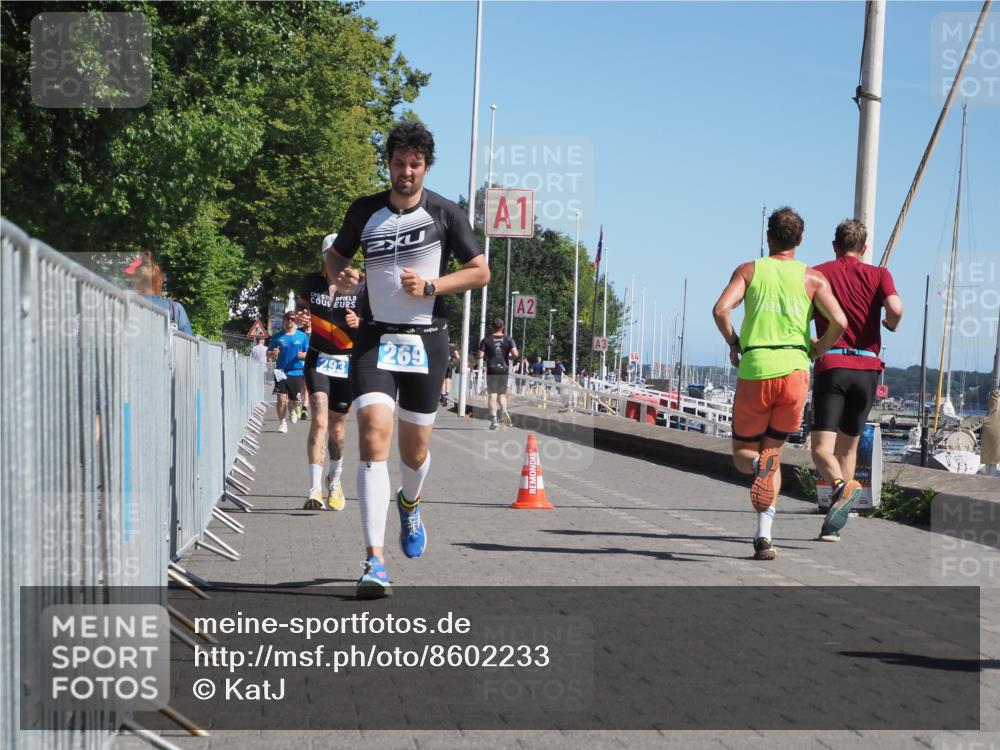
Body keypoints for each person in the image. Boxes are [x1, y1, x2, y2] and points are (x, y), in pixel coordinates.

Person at [326, 120, 490, 598]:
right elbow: (333, 259)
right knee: (374, 436)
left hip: (427, 341)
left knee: (413, 454)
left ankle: (411, 503)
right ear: (390, 163)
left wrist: (434, 286)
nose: (406, 172)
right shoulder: (364, 210)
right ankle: (374, 561)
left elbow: (480, 271)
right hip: (375, 339)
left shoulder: (445, 213)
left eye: (415, 165)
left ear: (426, 166)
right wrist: (342, 276)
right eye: (399, 163)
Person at [712, 207, 846, 561]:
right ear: (800, 241)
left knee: (745, 456)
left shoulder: (750, 271)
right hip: (795, 372)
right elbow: (840, 321)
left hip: (756, 368)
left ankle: (760, 482)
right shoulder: (813, 279)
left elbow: (720, 310)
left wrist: (734, 343)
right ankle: (764, 536)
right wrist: (818, 348)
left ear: (767, 236)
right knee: (774, 452)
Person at [810, 219, 904, 542]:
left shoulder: (818, 273)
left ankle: (840, 488)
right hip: (867, 370)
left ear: (834, 246)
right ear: (865, 249)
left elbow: (802, 316)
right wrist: (890, 324)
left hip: (833, 364)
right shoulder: (879, 275)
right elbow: (896, 308)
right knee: (847, 451)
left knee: (820, 449)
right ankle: (835, 526)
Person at [298, 233, 364, 511]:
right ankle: (313, 490)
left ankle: (334, 481)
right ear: (324, 258)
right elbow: (301, 309)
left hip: (347, 361)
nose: (337, 263)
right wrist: (302, 317)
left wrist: (359, 321)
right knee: (320, 421)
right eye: (331, 257)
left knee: (337, 429)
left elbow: (374, 322)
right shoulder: (311, 282)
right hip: (318, 358)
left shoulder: (361, 286)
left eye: (341, 259)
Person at [126, 254, 194, 335]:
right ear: (159, 282)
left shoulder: (125, 304)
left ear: (134, 283)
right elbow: (188, 340)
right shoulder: (175, 310)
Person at [268, 312, 308, 434]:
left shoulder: (302, 336)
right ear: (284, 320)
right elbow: (268, 353)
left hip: (296, 371)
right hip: (280, 370)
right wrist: (272, 353)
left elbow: (309, 353)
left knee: (295, 400)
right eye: (287, 319)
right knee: (280, 399)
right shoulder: (278, 337)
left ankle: (292, 408)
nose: (290, 321)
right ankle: (282, 423)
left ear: (295, 320)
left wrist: (303, 355)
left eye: (292, 319)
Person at [477, 317, 519, 430]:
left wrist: (486, 355)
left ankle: (494, 419)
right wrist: (509, 355)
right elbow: (515, 354)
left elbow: (480, 355)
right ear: (503, 327)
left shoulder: (486, 340)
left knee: (492, 395)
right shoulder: (509, 339)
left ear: (492, 327)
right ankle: (504, 410)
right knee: (502, 394)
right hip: (504, 368)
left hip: (492, 368)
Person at [440, 342, 459, 406]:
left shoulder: (440, 345)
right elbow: (457, 356)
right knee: (448, 381)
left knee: (442, 382)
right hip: (450, 365)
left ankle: (442, 396)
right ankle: (446, 396)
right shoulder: (452, 347)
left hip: (442, 365)